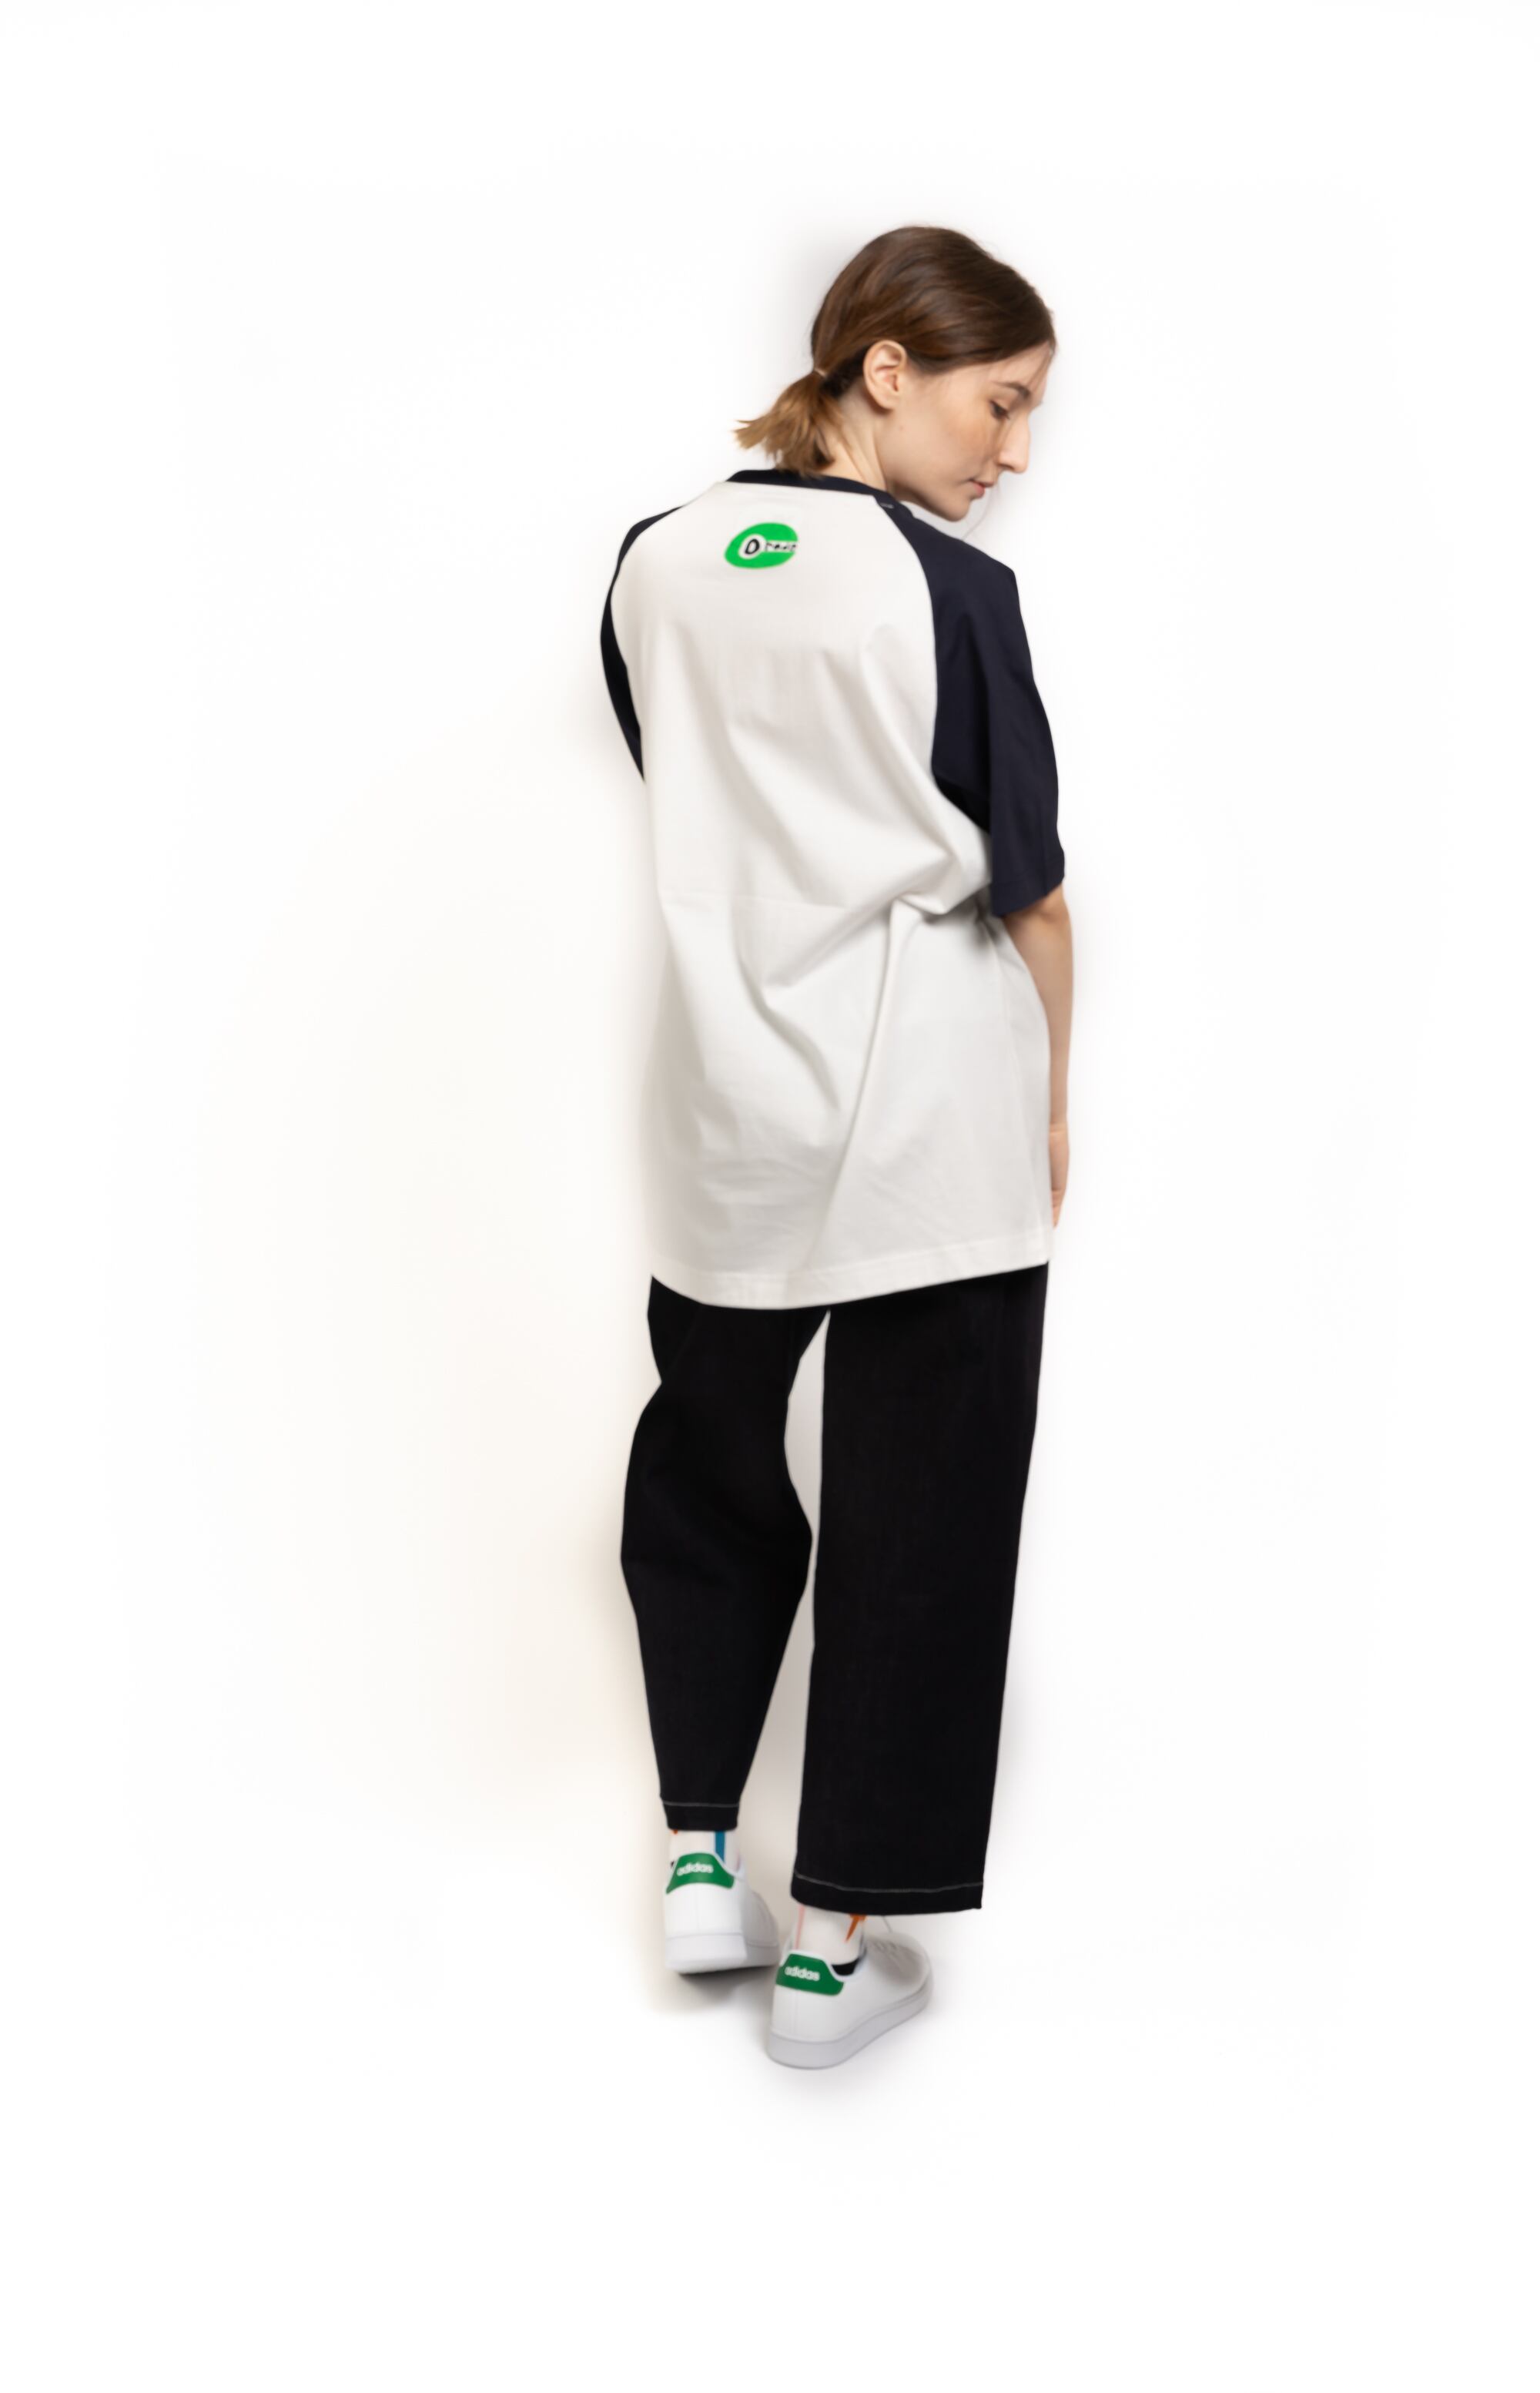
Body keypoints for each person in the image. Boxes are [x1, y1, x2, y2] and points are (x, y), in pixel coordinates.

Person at [599, 224, 1073, 2070]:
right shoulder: (953, 591)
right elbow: (1027, 887)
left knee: (706, 1473)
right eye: (999, 403)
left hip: (724, 1098)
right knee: (920, 1517)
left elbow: (698, 796)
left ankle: (697, 1859)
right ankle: (834, 1954)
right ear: (887, 368)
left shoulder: (652, 562)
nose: (1011, 452)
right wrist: (1055, 1086)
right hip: (926, 1108)